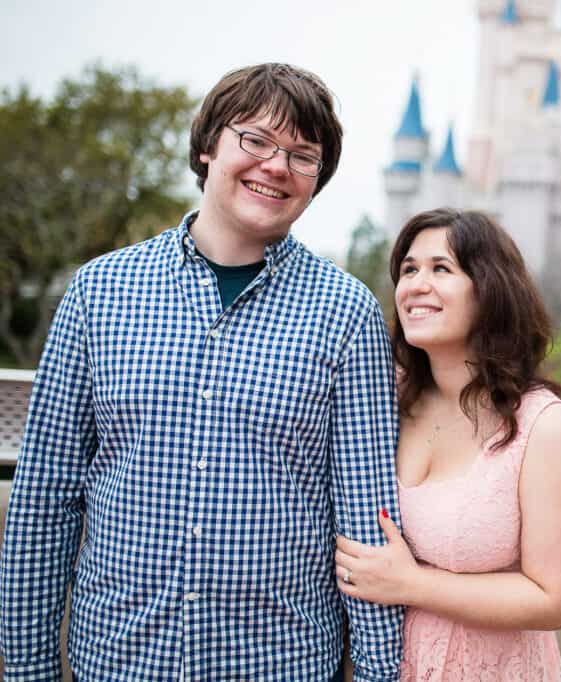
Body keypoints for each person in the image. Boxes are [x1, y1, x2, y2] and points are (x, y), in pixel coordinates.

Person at [0, 63, 403, 681]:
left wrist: (379, 674)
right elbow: (45, 497)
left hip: (281, 663)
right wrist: (27, 669)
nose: (276, 165)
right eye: (257, 140)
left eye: (302, 155)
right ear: (207, 146)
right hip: (119, 661)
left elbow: (365, 515)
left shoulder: (347, 313)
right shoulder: (99, 291)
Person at [333, 209, 561, 681]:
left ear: (491, 290)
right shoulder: (381, 400)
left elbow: (554, 600)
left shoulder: (544, 427)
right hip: (384, 667)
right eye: (409, 270)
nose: (416, 284)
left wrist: (411, 584)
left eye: (441, 269)